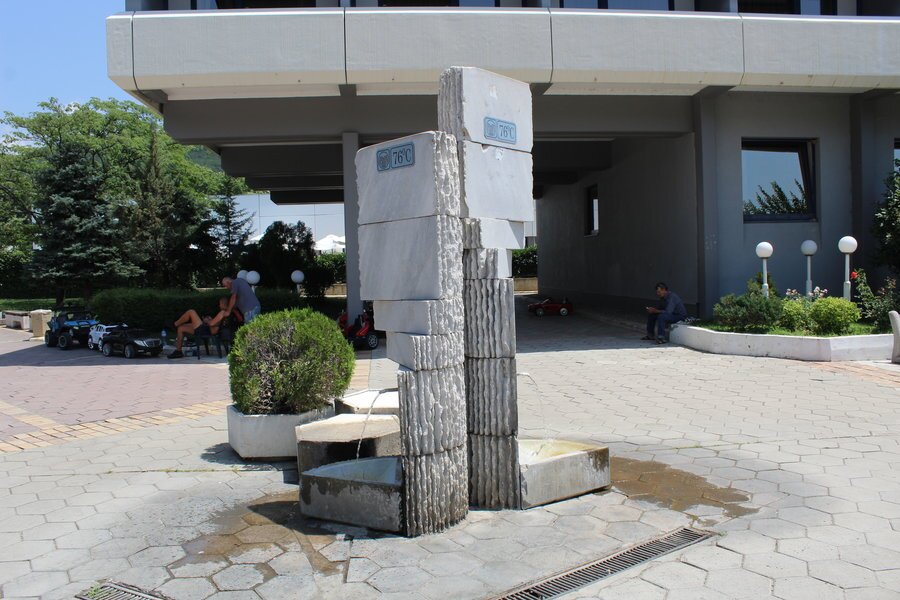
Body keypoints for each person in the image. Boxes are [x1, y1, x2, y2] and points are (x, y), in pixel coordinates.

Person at [167, 297, 240, 359]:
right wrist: (210, 319)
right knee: (181, 328)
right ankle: (178, 351)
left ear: (223, 304)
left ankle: (175, 324)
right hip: (206, 329)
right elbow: (215, 323)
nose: (219, 305)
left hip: (205, 330)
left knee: (191, 312)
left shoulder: (222, 312)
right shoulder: (226, 313)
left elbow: (211, 324)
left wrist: (207, 320)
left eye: (220, 303)